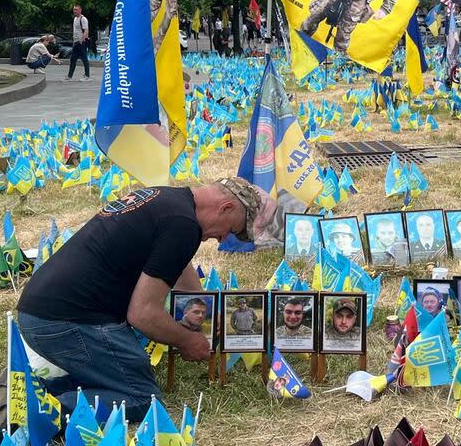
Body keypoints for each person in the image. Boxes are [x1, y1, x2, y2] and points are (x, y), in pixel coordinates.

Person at [14, 177, 277, 423]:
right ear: (226, 207)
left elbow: (179, 266)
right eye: (230, 230)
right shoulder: (183, 225)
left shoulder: (169, 199)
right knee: (141, 398)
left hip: (39, 309)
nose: (222, 239)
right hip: (65, 322)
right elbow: (142, 313)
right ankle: (33, 412)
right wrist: (188, 340)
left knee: (117, 380)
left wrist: (206, 316)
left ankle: (30, 391)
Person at [65, 4, 90, 82]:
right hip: (75, 42)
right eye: (74, 9)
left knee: (84, 58)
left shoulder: (83, 19)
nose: (74, 11)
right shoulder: (75, 19)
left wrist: (82, 40)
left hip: (81, 42)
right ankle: (69, 76)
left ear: (80, 10)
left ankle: (87, 76)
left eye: (76, 9)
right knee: (73, 59)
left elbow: (86, 31)